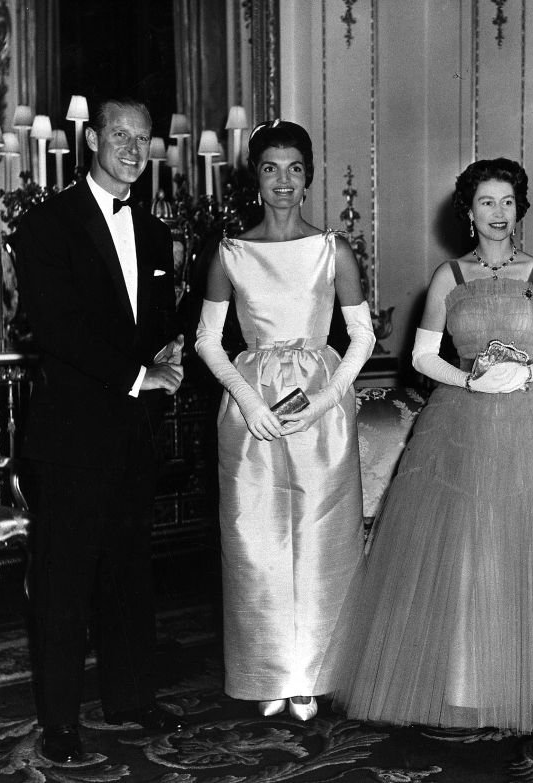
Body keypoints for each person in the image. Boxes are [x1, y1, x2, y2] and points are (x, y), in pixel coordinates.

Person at [325, 158, 533, 734]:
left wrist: (523, 376)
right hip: (459, 423)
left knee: (532, 546)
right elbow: (422, 356)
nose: (498, 213)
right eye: (487, 202)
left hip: (531, 423)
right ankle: (465, 684)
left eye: (507, 202)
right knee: (468, 548)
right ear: (468, 210)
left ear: (519, 207)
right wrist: (471, 380)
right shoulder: (449, 278)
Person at [14, 97, 187, 764]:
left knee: (127, 572)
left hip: (131, 432)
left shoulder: (153, 231)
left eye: (143, 137)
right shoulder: (46, 225)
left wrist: (168, 357)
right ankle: (59, 720)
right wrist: (139, 376)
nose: (134, 148)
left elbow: (157, 319)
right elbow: (57, 327)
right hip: (69, 436)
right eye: (120, 134)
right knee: (63, 582)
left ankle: (130, 694)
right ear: (91, 139)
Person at [195, 119, 375, 722]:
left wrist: (325, 402)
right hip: (252, 411)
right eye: (271, 168)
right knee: (256, 541)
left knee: (324, 539)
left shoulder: (333, 249)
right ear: (256, 177)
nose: (283, 181)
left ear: (309, 176)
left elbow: (363, 337)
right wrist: (247, 401)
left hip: (321, 409)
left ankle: (314, 676)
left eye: (295, 168)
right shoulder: (230, 253)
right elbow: (207, 341)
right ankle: (271, 670)